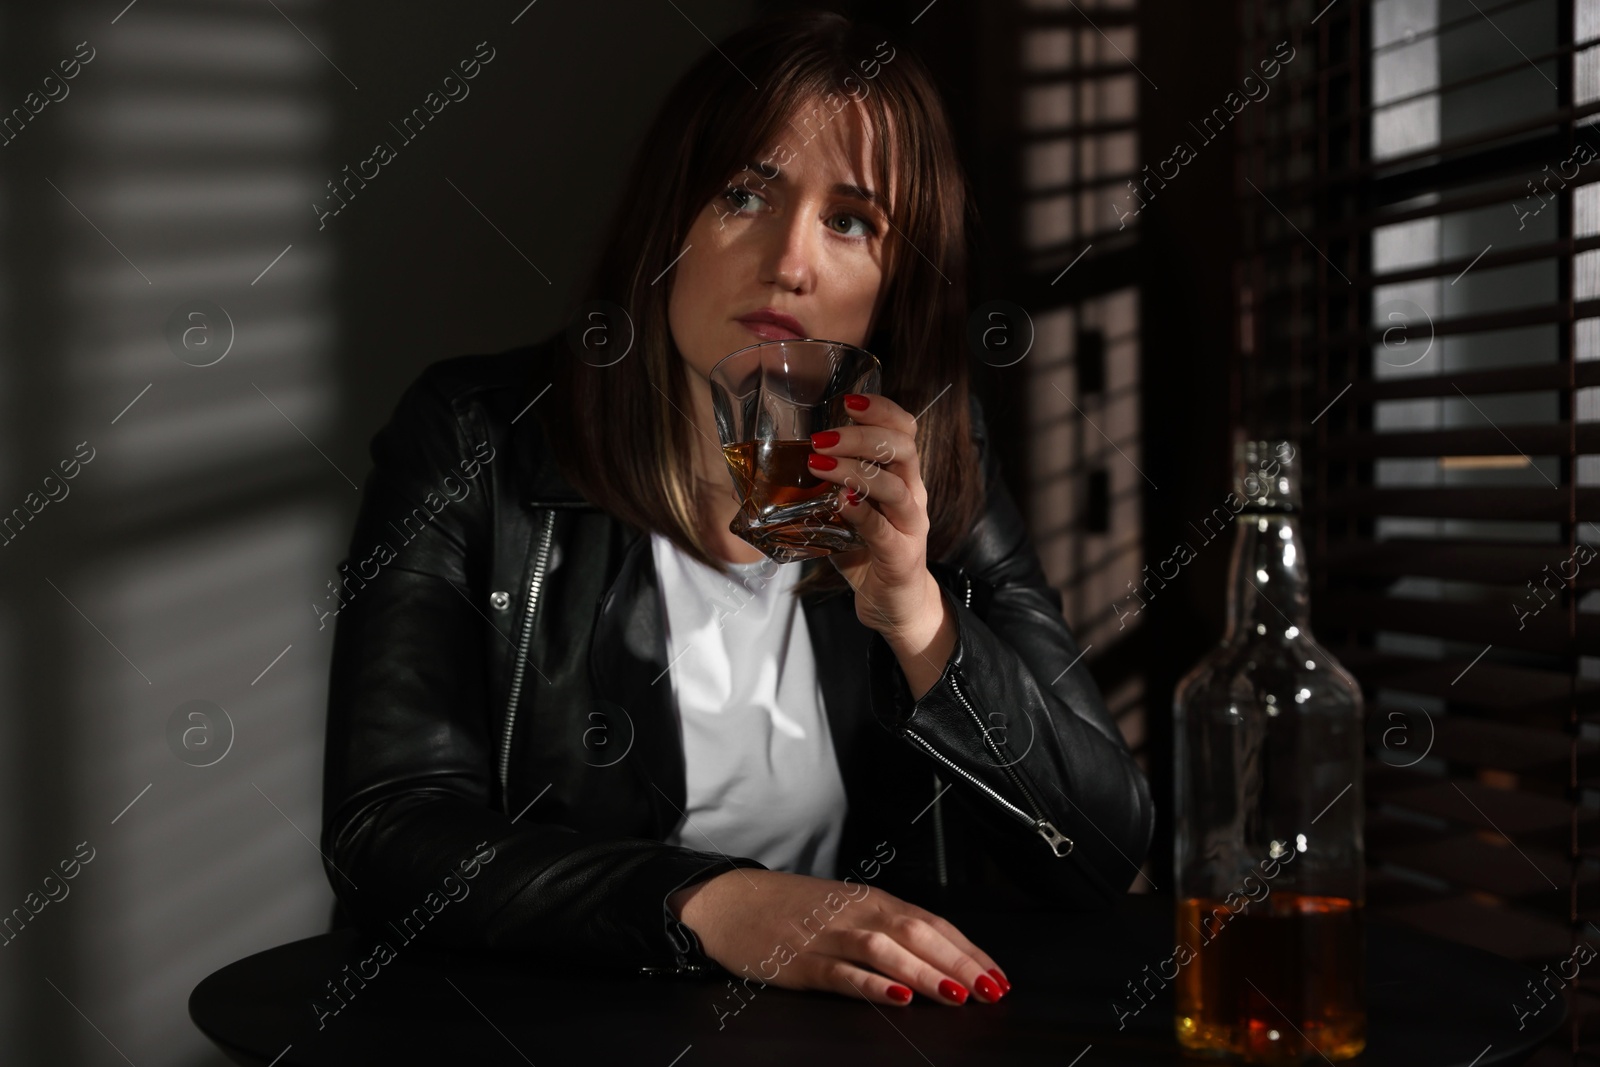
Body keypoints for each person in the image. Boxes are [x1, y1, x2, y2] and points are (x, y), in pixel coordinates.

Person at [319, 9, 1154, 1010]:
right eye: (745, 193)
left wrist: (917, 614)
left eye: (851, 220)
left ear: (890, 285)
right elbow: (386, 832)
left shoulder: (934, 458)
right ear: (670, 222)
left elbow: (1099, 850)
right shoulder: (474, 439)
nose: (789, 261)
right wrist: (709, 903)